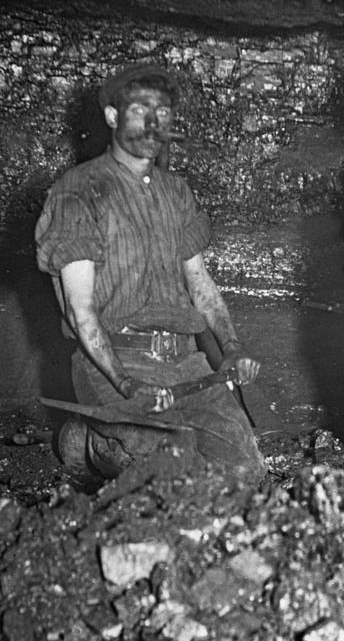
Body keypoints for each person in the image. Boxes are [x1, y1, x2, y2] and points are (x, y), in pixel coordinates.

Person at [34, 62, 265, 479]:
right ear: (112, 117)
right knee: (163, 465)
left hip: (187, 366)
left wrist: (232, 347)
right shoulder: (78, 191)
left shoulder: (176, 192)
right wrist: (125, 385)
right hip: (119, 362)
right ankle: (90, 441)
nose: (154, 123)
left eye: (163, 113)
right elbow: (79, 310)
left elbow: (201, 285)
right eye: (141, 110)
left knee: (246, 473)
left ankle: (101, 436)